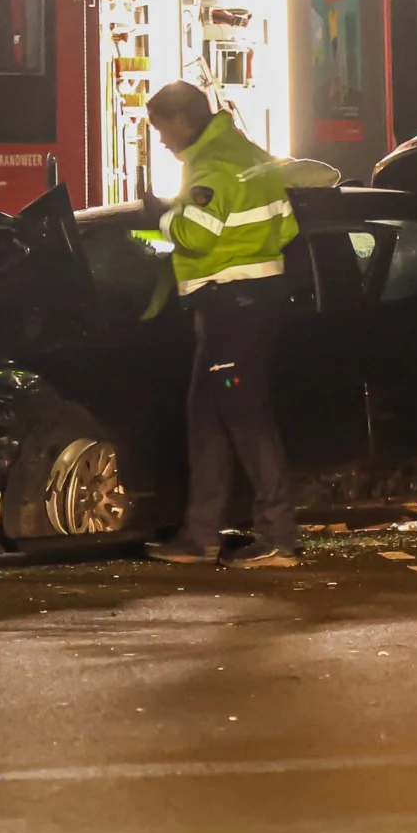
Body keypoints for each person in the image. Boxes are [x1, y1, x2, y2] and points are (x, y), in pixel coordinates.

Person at [142, 82, 302, 567]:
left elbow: (194, 234)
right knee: (207, 417)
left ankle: (279, 538)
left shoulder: (212, 165)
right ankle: (200, 535)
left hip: (232, 306)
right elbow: (288, 227)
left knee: (245, 416)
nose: (164, 142)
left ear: (184, 120)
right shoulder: (252, 155)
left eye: (163, 131)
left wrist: (161, 215)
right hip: (248, 301)